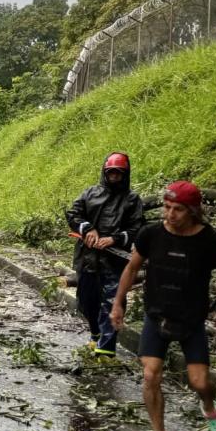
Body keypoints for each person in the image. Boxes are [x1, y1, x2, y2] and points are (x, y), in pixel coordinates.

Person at [111, 181, 216, 431]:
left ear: (193, 211)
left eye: (177, 209)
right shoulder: (151, 234)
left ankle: (208, 405)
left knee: (200, 382)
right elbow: (132, 269)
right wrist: (118, 303)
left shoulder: (210, 241)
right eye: (167, 207)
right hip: (156, 316)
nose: (169, 214)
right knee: (150, 374)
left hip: (191, 321)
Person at [66, 152, 145, 357]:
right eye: (111, 173)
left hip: (115, 260)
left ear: (125, 174)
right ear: (105, 172)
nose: (114, 177)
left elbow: (137, 228)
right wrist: (88, 229)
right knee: (86, 300)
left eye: (119, 173)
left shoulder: (132, 200)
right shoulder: (90, 194)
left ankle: (106, 348)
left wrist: (115, 239)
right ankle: (95, 333)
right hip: (87, 257)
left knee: (113, 300)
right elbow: (73, 214)